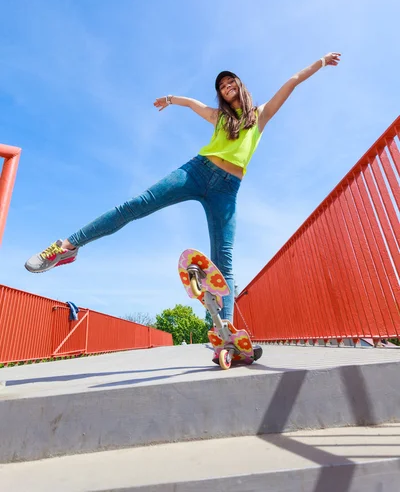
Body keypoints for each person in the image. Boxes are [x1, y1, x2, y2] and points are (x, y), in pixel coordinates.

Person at [25, 53, 341, 323]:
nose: (226, 88)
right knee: (136, 204)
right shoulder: (219, 117)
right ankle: (68, 246)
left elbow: (292, 81)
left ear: (240, 87)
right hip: (196, 171)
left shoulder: (260, 116)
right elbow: (193, 104)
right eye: (221, 86)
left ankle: (224, 331)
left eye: (230, 83)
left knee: (224, 259)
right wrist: (172, 100)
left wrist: (321, 62)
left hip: (227, 191)